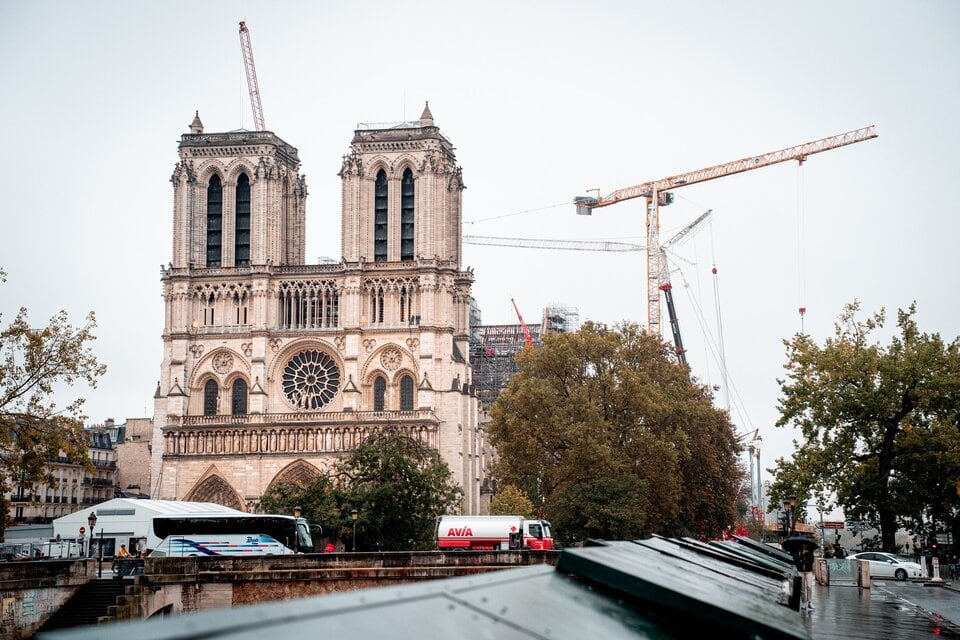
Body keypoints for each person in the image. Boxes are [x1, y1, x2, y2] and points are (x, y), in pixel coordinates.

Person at [794, 542, 815, 611]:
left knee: (809, 587)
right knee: (802, 588)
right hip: (801, 571)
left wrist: (802, 561)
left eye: (806, 544)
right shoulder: (797, 551)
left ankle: (810, 602)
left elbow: (811, 561)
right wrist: (802, 555)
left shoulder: (810, 552)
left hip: (809, 571)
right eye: (803, 544)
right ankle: (804, 602)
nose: (804, 545)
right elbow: (795, 560)